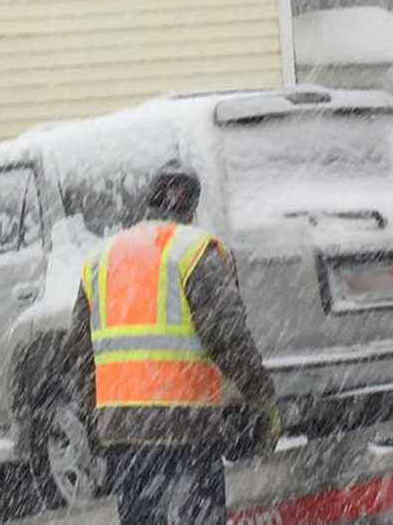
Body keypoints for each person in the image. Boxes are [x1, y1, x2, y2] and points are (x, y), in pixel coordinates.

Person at [64, 163, 279, 524]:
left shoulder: (102, 259)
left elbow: (79, 357)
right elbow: (228, 337)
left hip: (124, 433)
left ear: (148, 201)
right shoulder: (193, 252)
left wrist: (94, 421)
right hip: (187, 427)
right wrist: (261, 398)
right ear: (191, 208)